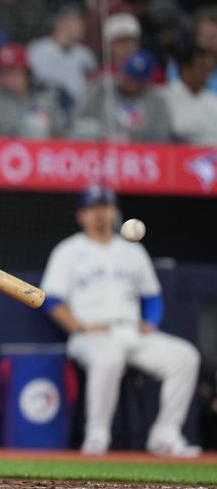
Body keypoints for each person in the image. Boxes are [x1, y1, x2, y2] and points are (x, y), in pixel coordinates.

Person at [40, 185, 201, 457]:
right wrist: (80, 326)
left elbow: (152, 296)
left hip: (131, 331)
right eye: (92, 209)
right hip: (90, 335)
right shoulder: (67, 251)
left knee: (185, 357)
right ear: (81, 215)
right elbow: (51, 300)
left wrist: (151, 321)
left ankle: (166, 435)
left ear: (114, 211)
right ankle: (96, 437)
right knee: (108, 357)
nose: (99, 214)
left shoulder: (132, 251)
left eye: (104, 207)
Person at [69, 49, 174, 143]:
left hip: (138, 158)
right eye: (127, 75)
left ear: (146, 82)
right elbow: (77, 121)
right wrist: (100, 133)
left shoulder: (157, 102)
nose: (128, 82)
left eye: (135, 80)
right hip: (98, 152)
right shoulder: (103, 87)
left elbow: (161, 139)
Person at [0, 44, 65, 139]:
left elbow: (63, 134)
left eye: (15, 73)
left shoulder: (45, 98)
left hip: (41, 153)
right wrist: (4, 140)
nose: (10, 79)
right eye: (5, 74)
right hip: (3, 153)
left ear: (27, 74)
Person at [27, 6, 97, 107]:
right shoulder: (38, 49)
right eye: (78, 22)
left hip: (80, 111)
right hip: (47, 107)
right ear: (62, 24)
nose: (83, 27)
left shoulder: (85, 54)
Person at [164, 45, 217, 145]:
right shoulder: (165, 97)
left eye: (209, 68)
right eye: (201, 67)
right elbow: (176, 129)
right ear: (185, 69)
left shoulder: (213, 101)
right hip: (175, 155)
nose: (206, 73)